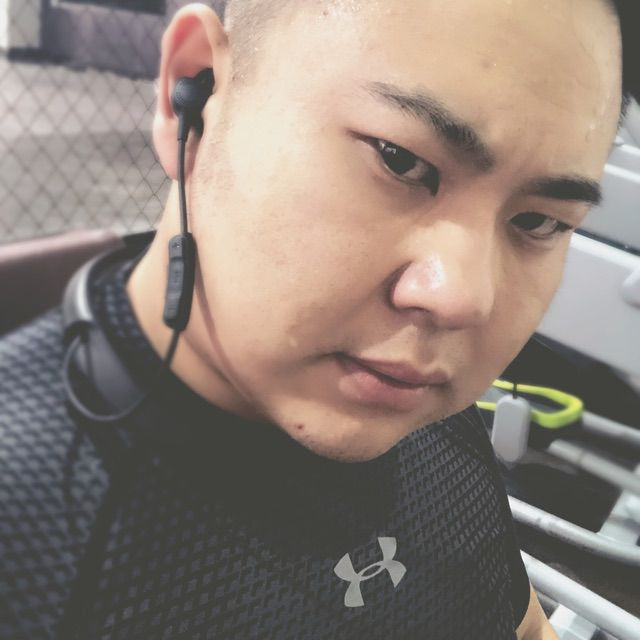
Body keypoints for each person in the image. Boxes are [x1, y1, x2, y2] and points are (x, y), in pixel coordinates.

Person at [0, 0, 634, 638]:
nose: (461, 299)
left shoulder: (422, 412)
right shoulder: (29, 542)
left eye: (538, 221)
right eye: (400, 160)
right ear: (194, 94)